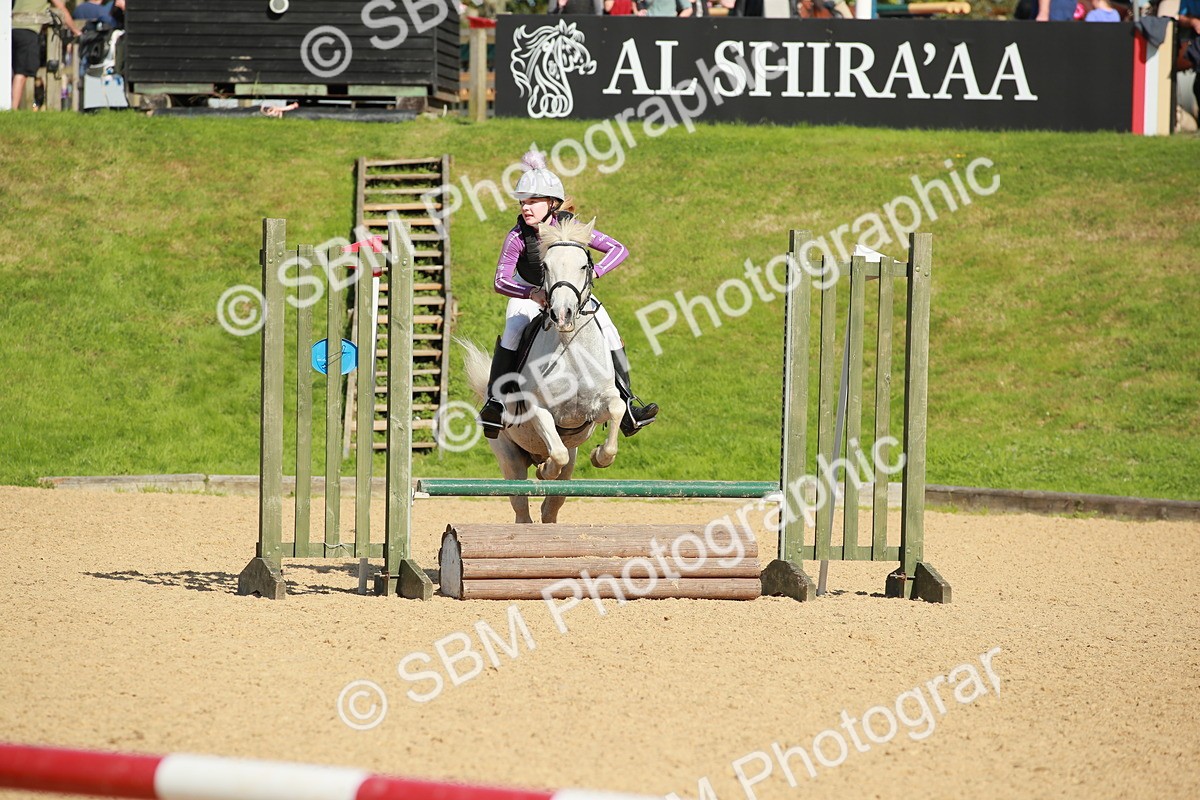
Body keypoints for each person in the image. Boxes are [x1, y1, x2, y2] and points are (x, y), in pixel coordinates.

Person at [479, 151, 659, 440]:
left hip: (573, 296)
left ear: (552, 204)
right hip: (529, 294)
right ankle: (496, 402)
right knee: (513, 330)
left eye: (533, 201)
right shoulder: (516, 237)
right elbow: (500, 280)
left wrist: (595, 272)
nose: (526, 208)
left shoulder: (573, 229)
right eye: (523, 202)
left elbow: (619, 249)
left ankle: (627, 404)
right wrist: (531, 292)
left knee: (610, 331)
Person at [10, 0, 81, 109]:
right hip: (28, 29)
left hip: (12, 28)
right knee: (22, 72)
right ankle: (13, 108)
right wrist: (75, 30)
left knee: (15, 71)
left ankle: (11, 106)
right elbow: (61, 9)